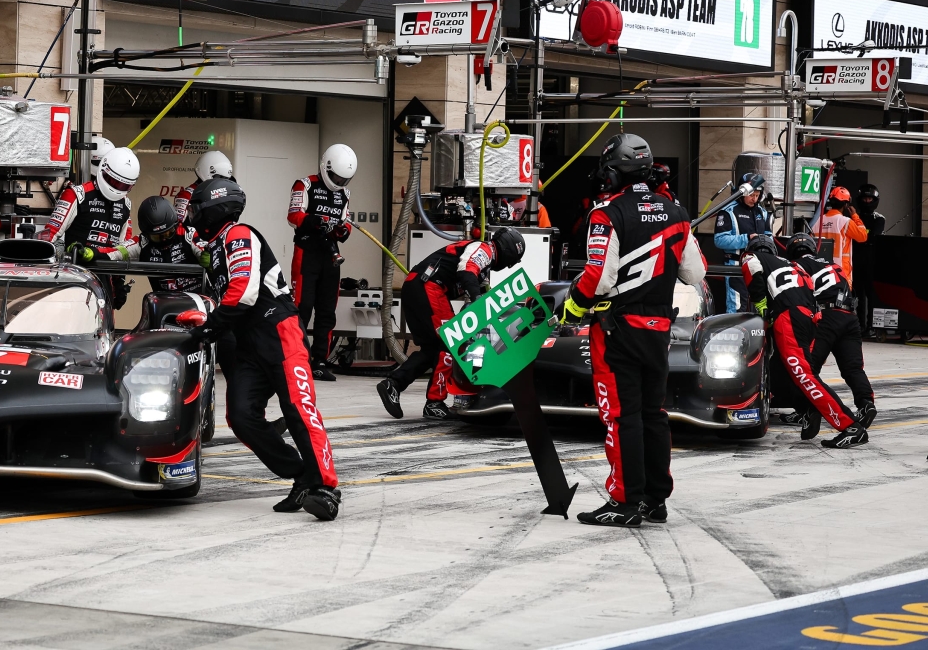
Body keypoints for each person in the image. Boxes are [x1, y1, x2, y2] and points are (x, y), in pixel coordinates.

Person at [559, 134, 706, 528]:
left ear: (613, 172)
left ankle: (624, 502)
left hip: (617, 330)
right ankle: (654, 500)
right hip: (659, 329)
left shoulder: (606, 213)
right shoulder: (676, 211)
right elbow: (695, 273)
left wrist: (572, 307)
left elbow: (598, 278)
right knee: (653, 414)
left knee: (621, 416)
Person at [188, 177, 340, 520]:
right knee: (241, 416)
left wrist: (210, 328)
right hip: (249, 342)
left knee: (299, 408)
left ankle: (326, 488)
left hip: (279, 331)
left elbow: (244, 292)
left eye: (197, 208)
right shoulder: (216, 247)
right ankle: (301, 475)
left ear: (215, 208)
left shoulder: (238, 234)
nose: (192, 215)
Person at [377, 227, 526, 420]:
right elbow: (467, 272)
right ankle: (434, 403)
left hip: (419, 287)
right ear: (508, 253)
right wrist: (478, 301)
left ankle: (394, 385)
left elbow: (481, 290)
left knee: (433, 349)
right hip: (429, 287)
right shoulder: (484, 249)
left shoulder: (484, 265)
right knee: (452, 342)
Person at [743, 232, 867, 448]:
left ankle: (850, 426)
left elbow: (751, 271)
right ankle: (808, 409)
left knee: (804, 376)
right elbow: (810, 288)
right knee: (783, 373)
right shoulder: (792, 266)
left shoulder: (751, 257)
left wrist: (762, 307)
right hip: (810, 316)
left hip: (788, 317)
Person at [786, 233, 876, 427]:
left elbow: (798, 295)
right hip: (850, 317)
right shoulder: (833, 265)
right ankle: (866, 404)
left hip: (826, 318)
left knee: (807, 370)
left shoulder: (795, 267)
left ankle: (807, 411)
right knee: (853, 368)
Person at [287, 144, 357, 382]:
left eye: (344, 179)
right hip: (307, 253)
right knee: (302, 307)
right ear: (326, 168)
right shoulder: (305, 184)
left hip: (331, 257)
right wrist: (315, 220)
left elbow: (346, 222)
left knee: (327, 311)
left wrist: (342, 230)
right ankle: (296, 357)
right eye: (336, 177)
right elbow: (293, 215)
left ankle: (319, 361)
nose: (339, 182)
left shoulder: (344, 194)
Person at [41, 146, 139, 308]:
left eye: (123, 186)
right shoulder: (77, 194)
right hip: (73, 277)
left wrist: (119, 284)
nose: (117, 188)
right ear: (103, 170)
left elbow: (123, 249)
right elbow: (49, 235)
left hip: (104, 282)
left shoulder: (126, 206)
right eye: (114, 181)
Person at [103, 195, 206, 293]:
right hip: (165, 301)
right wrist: (95, 253)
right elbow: (116, 252)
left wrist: (206, 255)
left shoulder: (188, 233)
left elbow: (204, 248)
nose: (165, 239)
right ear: (147, 235)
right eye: (158, 237)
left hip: (199, 298)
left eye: (168, 233)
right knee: (150, 300)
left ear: (175, 225)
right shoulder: (142, 243)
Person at [713, 173, 771, 314]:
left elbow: (769, 237)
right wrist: (747, 239)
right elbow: (719, 240)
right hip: (736, 267)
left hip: (758, 266)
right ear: (742, 192)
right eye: (751, 195)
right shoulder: (728, 211)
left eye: (757, 195)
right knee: (736, 308)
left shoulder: (762, 212)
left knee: (760, 308)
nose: (754, 199)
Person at [851, 183, 885, 336]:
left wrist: (862, 235)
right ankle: (859, 325)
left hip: (872, 262)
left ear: (875, 200)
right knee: (857, 295)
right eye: (864, 199)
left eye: (870, 199)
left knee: (871, 295)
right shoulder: (852, 218)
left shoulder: (879, 219)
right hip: (855, 260)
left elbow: (871, 237)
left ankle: (872, 326)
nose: (867, 201)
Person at [816, 186, 867, 284]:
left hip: (821, 272)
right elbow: (863, 236)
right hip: (841, 274)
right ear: (846, 204)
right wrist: (855, 216)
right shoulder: (845, 222)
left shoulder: (818, 221)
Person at [175, 150, 233, 222]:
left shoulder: (221, 195)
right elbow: (177, 225)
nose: (222, 182)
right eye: (220, 177)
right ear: (209, 172)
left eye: (226, 179)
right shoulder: (187, 195)